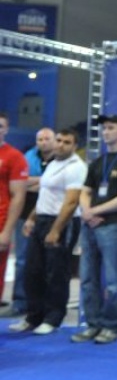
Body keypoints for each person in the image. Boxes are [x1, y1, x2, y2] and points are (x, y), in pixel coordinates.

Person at [71, 115, 117, 345]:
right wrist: (86, 211)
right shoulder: (97, 163)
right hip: (89, 226)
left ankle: (111, 326)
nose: (106, 132)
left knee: (113, 280)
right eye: (103, 129)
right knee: (88, 279)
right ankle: (92, 324)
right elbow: (85, 191)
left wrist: (95, 211)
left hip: (113, 227)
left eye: (111, 128)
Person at [8, 128, 87, 335]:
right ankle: (33, 316)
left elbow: (71, 202)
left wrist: (56, 230)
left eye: (66, 142)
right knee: (33, 271)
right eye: (59, 140)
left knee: (56, 273)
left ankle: (53, 318)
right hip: (42, 218)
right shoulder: (53, 163)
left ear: (74, 146)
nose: (60, 145)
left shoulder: (76, 167)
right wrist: (32, 218)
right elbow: (45, 194)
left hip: (63, 221)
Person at [0, 127, 55, 317]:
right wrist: (43, 181)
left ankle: (45, 306)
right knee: (22, 260)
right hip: (25, 216)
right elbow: (25, 184)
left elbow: (52, 184)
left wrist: (40, 182)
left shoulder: (61, 159)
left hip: (51, 216)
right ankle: (20, 301)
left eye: (47, 139)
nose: (43, 142)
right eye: (40, 139)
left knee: (48, 263)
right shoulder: (29, 156)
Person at [0, 112, 29, 305]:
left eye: (0, 126)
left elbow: (19, 196)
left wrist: (7, 231)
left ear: (6, 129)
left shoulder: (14, 157)